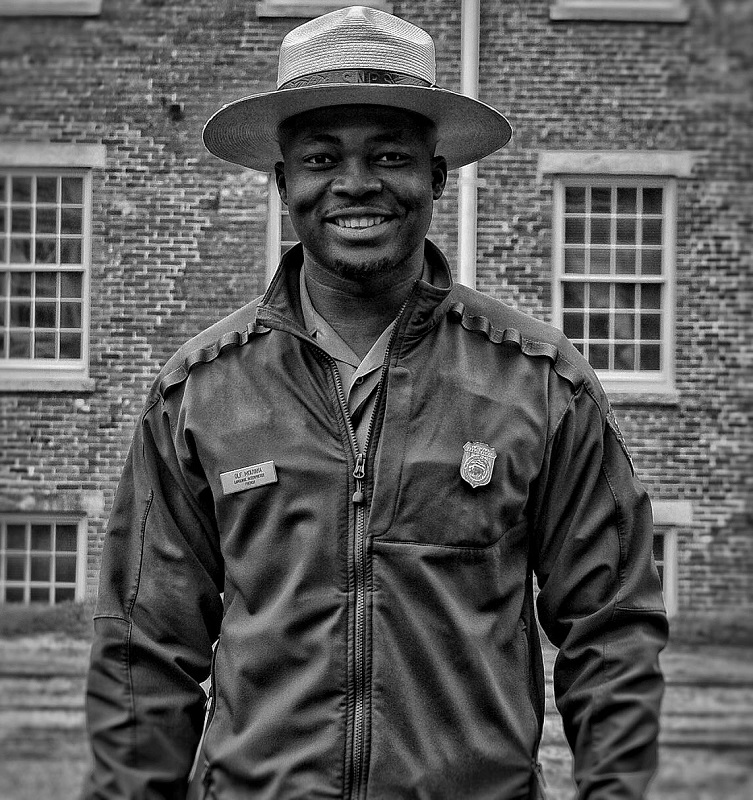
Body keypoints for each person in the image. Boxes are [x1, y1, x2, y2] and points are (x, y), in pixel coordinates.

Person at [83, 6, 668, 800]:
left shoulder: (538, 381)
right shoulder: (201, 392)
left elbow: (611, 629)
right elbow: (142, 649)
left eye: (389, 154)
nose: (355, 183)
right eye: (321, 157)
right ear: (282, 180)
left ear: (435, 175)